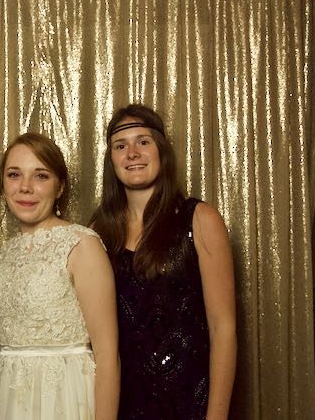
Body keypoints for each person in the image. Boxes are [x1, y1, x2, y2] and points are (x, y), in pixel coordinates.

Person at [90, 104, 237, 419]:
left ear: (161, 150)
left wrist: (216, 416)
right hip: (121, 404)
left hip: (188, 402)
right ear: (111, 160)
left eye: (143, 141)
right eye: (120, 146)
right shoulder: (98, 230)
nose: (132, 153)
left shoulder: (200, 219)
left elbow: (222, 328)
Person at [0, 133, 120, 420]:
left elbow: (108, 355)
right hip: (10, 397)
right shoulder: (8, 251)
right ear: (3, 184)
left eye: (41, 176)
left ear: (60, 187)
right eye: (14, 174)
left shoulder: (82, 245)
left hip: (65, 397)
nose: (25, 187)